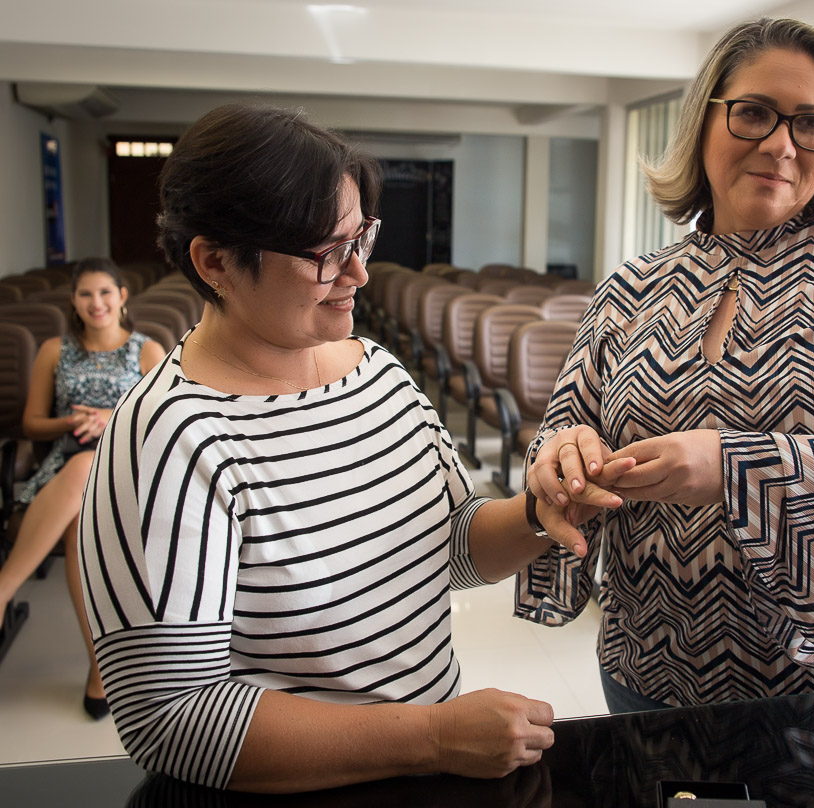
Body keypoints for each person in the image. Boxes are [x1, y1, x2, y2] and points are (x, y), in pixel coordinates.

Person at [77, 103, 623, 794]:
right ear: (216, 262)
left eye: (361, 237)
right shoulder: (168, 437)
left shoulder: (376, 374)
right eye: (325, 253)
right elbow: (171, 717)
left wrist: (539, 513)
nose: (360, 272)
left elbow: (451, 546)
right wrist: (431, 736)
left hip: (428, 770)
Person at [518, 18, 814, 712]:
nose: (781, 144)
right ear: (703, 122)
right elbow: (562, 433)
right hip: (647, 666)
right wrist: (560, 460)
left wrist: (738, 467)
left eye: (810, 123)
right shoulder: (633, 286)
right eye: (753, 113)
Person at [0, 257, 165, 719]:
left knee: (85, 473)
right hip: (67, 460)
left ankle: (4, 588)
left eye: (105, 292)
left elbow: (161, 424)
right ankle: (100, 668)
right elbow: (33, 424)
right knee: (78, 510)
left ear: (122, 296)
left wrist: (111, 419)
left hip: (127, 465)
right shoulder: (54, 349)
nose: (96, 303)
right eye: (86, 294)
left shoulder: (148, 351)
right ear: (73, 301)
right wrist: (73, 421)